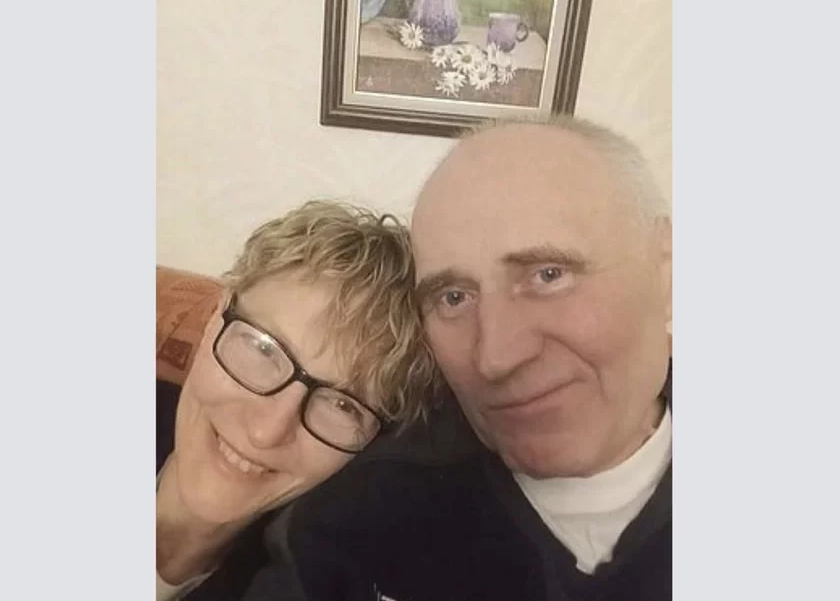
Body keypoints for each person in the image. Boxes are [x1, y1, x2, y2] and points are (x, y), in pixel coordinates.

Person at [247, 116, 673, 601]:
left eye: (549, 275)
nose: (496, 357)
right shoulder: (357, 517)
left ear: (666, 270)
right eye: (453, 298)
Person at [156, 200, 437, 601]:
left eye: (343, 404)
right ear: (215, 318)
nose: (266, 431)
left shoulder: (299, 578)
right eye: (263, 350)